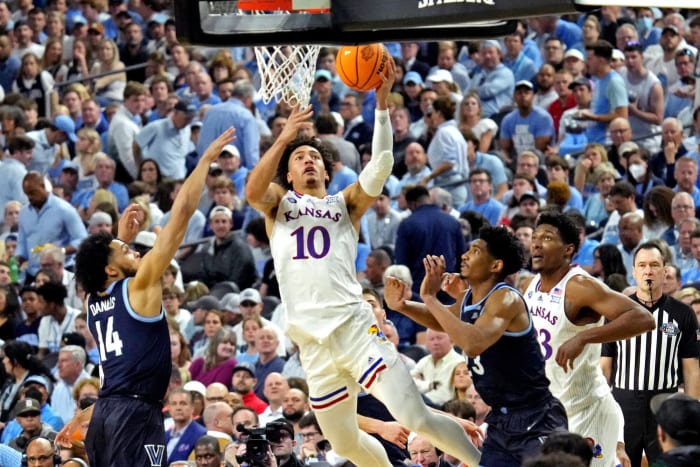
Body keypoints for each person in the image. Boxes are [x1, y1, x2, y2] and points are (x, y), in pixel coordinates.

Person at [245, 67, 481, 466]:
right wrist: (285, 137)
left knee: (413, 416)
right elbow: (251, 190)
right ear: (287, 174)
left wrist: (382, 105)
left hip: (355, 329)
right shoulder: (278, 205)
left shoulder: (345, 204)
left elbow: (383, 163)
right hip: (313, 344)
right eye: (299, 158)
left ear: (326, 171)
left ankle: (483, 463)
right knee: (344, 444)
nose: (307, 161)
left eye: (314, 157)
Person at [55, 128, 236, 466]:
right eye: (126, 250)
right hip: (134, 415)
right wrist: (206, 161)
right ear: (111, 269)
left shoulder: (93, 303)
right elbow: (180, 216)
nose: (135, 250)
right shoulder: (139, 286)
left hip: (109, 413)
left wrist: (120, 238)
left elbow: (105, 273)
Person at [386, 226, 568, 465]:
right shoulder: (470, 299)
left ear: (495, 266)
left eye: (475, 251)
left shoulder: (505, 298)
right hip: (501, 420)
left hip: (536, 417)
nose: (464, 255)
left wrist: (430, 297)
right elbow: (442, 320)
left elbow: (473, 344)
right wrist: (403, 306)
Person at [523, 212, 656, 467]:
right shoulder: (530, 285)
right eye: (535, 237)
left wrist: (584, 337)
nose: (536, 243)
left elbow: (643, 318)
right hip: (550, 411)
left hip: (587, 409)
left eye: (547, 238)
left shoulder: (580, 286)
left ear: (568, 250)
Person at [601, 242, 700, 467]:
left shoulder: (682, 313)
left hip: (665, 402)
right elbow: (605, 366)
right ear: (634, 271)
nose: (648, 271)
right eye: (642, 265)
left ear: (665, 271)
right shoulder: (617, 312)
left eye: (655, 265)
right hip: (623, 402)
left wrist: (692, 412)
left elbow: (691, 367)